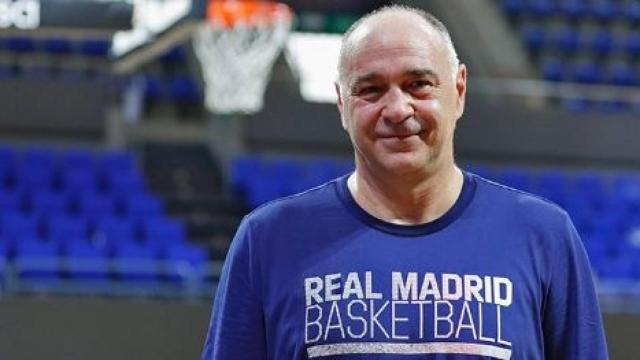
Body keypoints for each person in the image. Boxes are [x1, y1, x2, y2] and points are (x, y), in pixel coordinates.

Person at [201, 5, 608, 359]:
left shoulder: (544, 236)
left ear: (459, 89)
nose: (396, 109)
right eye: (371, 89)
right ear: (342, 104)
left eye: (418, 84)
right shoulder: (268, 240)